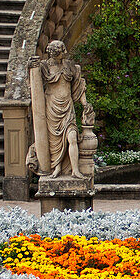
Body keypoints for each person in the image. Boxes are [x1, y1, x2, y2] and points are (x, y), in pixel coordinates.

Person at [27, 40, 93, 178]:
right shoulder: (45, 66)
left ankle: (75, 170)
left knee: (72, 138)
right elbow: (33, 84)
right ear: (55, 53)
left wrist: (85, 103)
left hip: (67, 107)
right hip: (52, 108)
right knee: (54, 142)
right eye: (62, 50)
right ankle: (56, 168)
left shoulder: (69, 65)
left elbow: (78, 86)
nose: (66, 53)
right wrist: (31, 67)